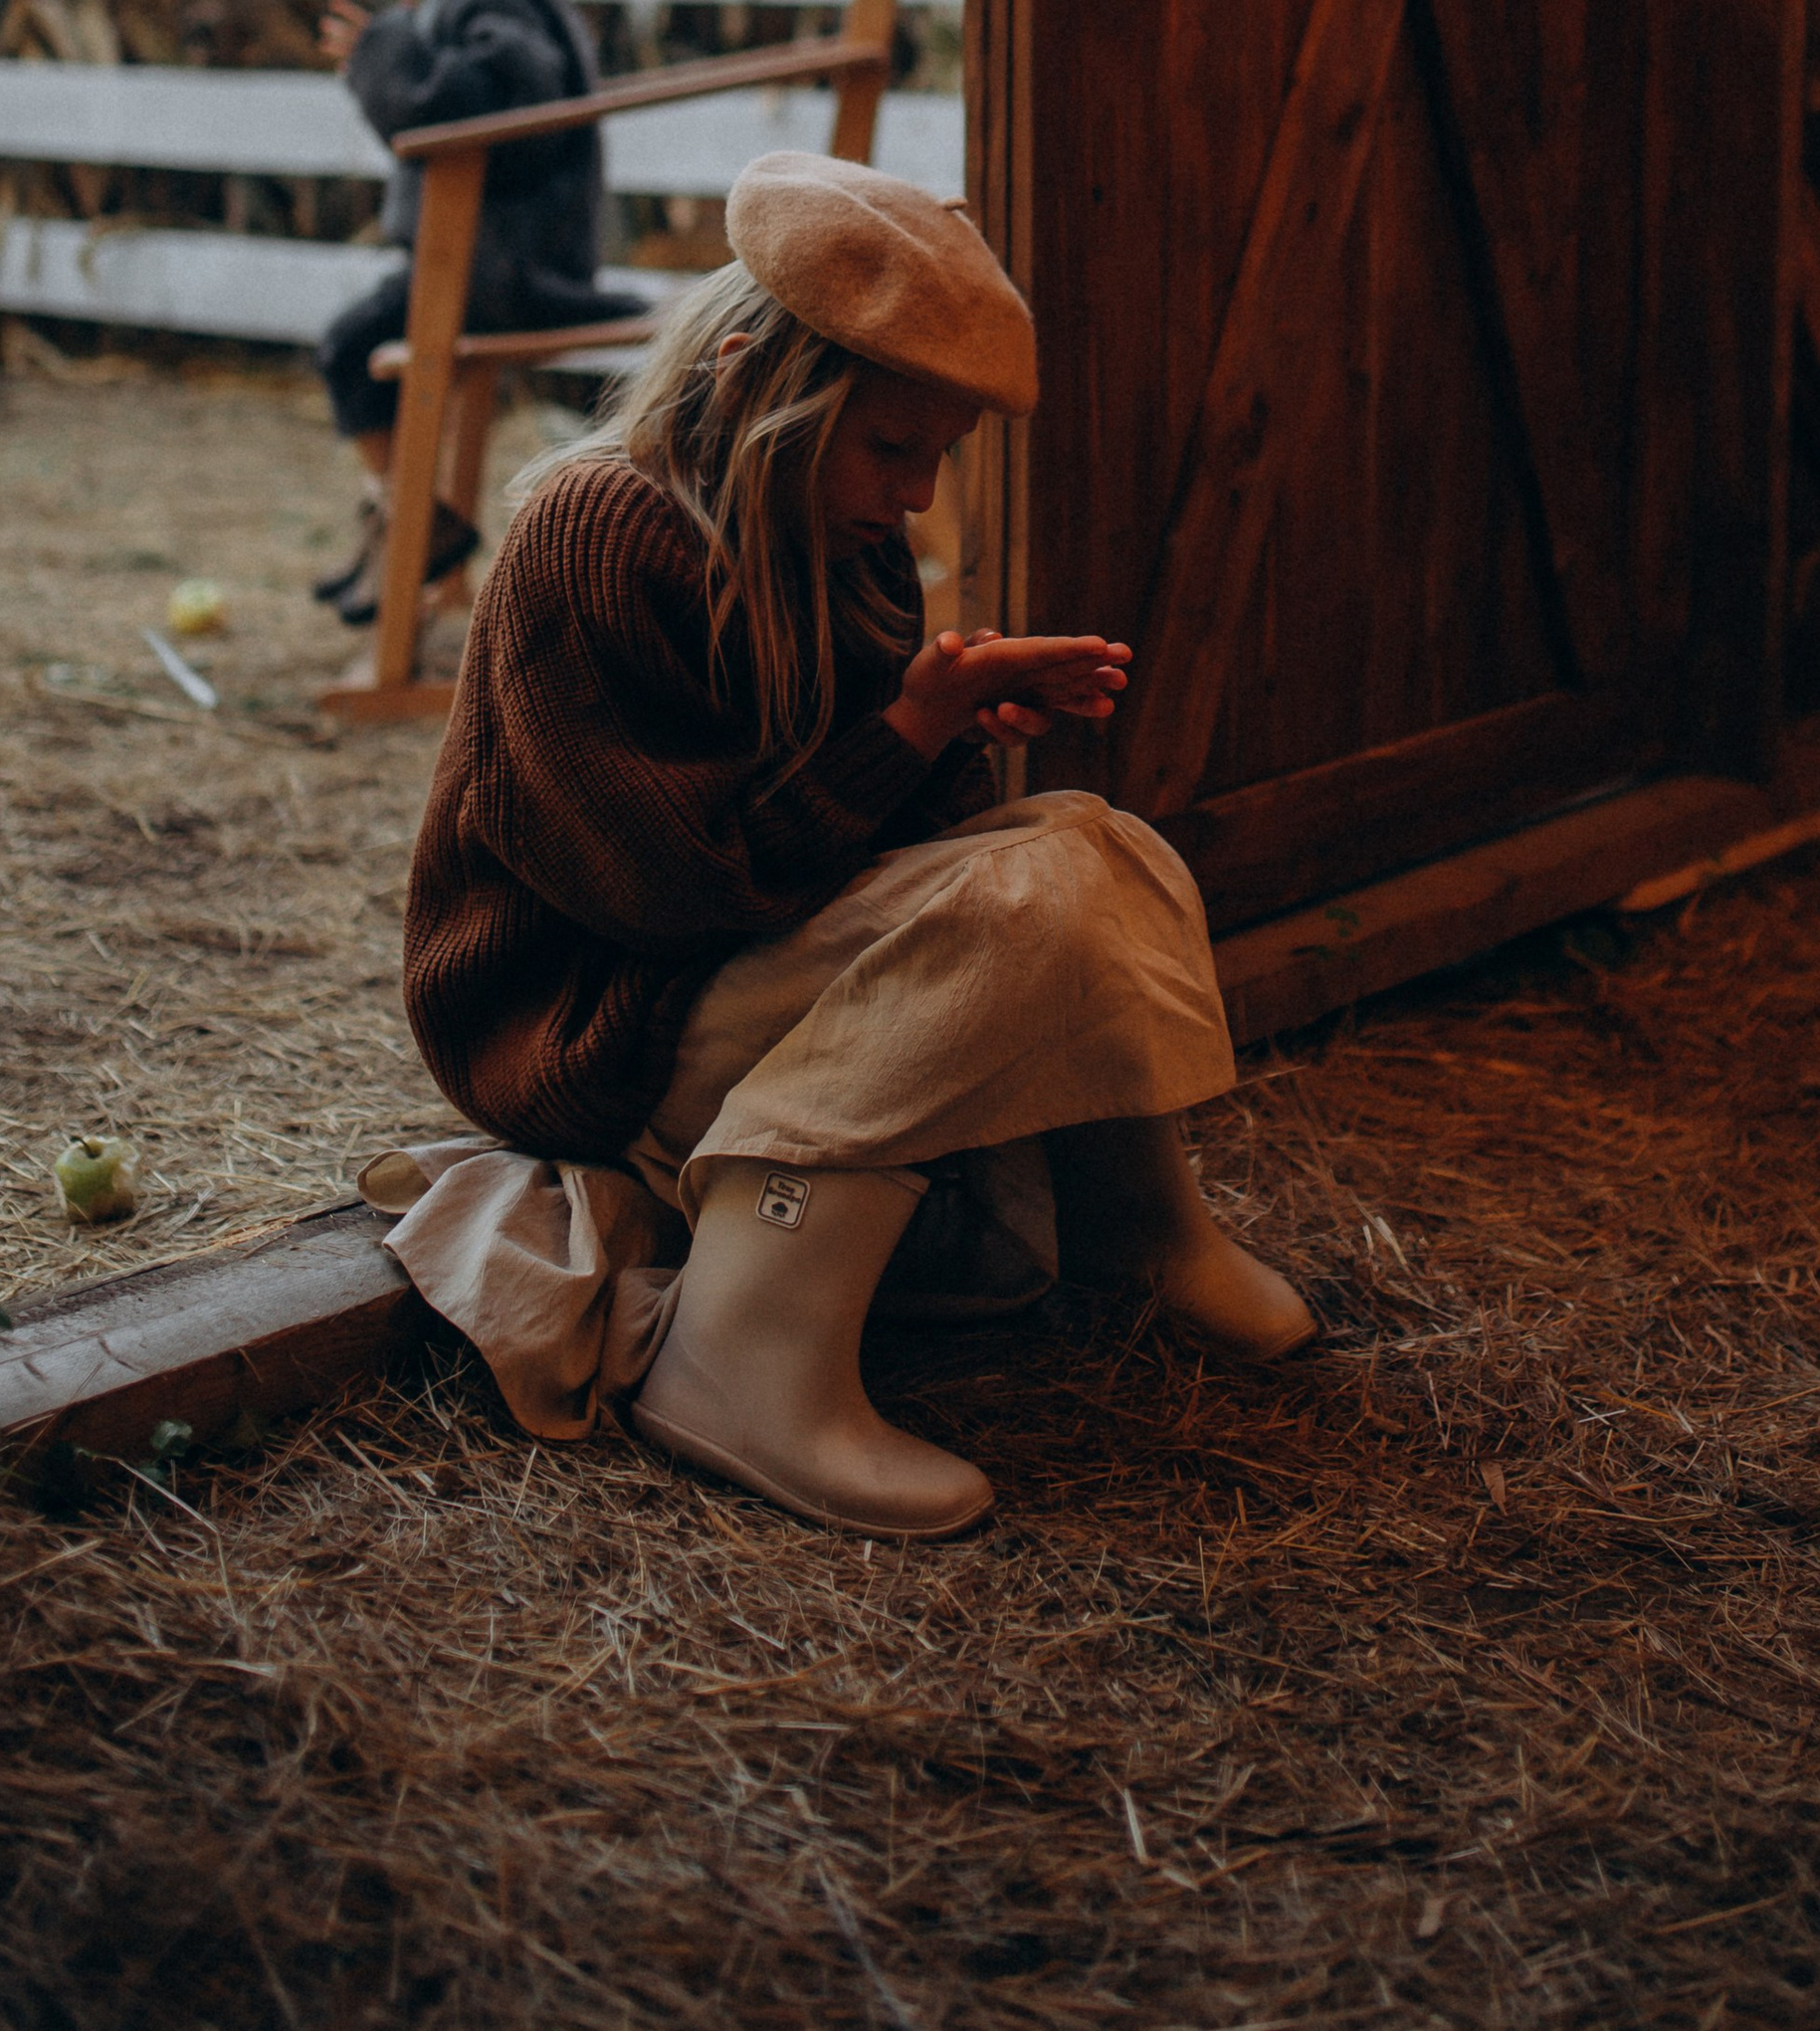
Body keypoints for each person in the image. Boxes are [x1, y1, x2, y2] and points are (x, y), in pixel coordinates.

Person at [399, 147, 1314, 1540]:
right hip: (596, 1022)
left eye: (937, 456)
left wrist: (949, 736)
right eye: (896, 448)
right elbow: (674, 887)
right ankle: (737, 1359)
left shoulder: (843, 544)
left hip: (728, 966)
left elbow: (856, 864)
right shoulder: (590, 540)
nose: (919, 499)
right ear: (754, 379)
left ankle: (1139, 1235)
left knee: (1094, 846)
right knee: (1026, 896)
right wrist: (905, 730)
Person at [311, 0, 641, 624]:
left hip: (494, 272)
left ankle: (413, 516)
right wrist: (397, 48)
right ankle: (410, 517)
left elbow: (482, 108)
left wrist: (385, 51)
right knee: (357, 342)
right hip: (507, 263)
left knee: (350, 346)